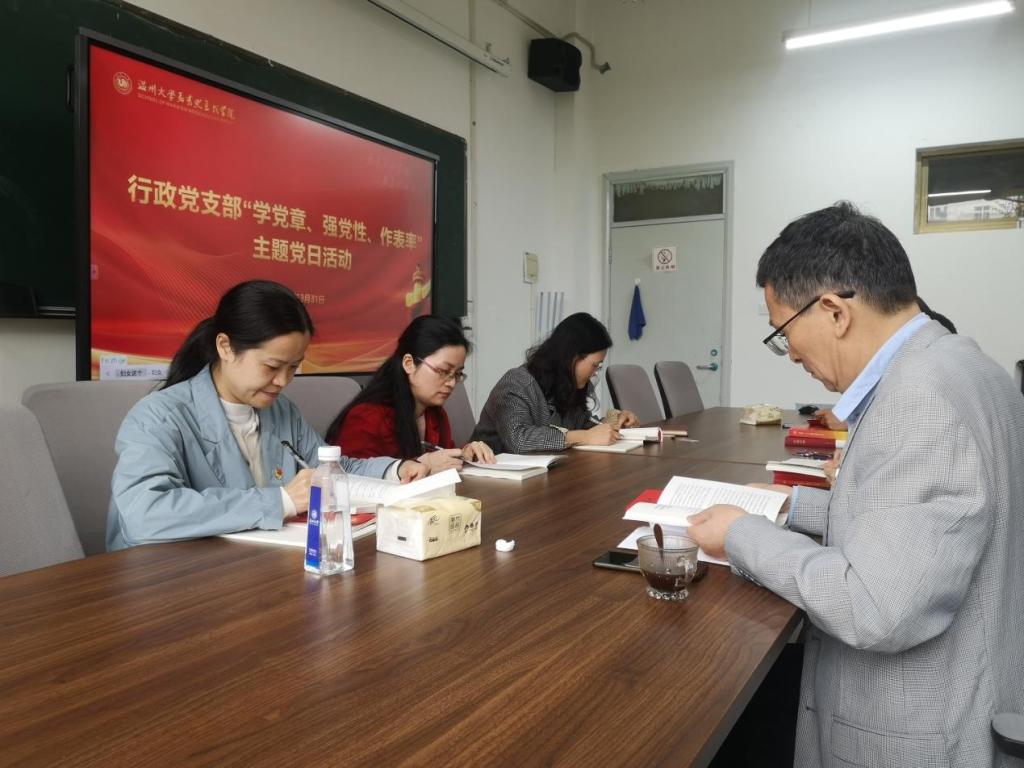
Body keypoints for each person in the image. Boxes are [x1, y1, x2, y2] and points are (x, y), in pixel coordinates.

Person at [688, 202, 1024, 767]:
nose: (791, 353)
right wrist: (795, 508)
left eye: (783, 332)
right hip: (977, 685)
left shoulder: (920, 398)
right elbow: (936, 524)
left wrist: (743, 534)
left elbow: (873, 606)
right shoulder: (965, 365)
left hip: (918, 732)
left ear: (834, 311)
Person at [107, 280, 426, 550]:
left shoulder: (281, 410)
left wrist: (395, 470)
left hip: (252, 567)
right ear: (225, 347)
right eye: (272, 367)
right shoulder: (158, 417)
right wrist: (282, 501)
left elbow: (329, 467)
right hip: (171, 578)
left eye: (293, 367)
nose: (283, 381)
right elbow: (145, 514)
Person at [325, 316, 495, 473]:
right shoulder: (367, 418)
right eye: (443, 371)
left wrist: (465, 455)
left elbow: (443, 461)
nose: (451, 383)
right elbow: (351, 477)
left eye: (457, 374)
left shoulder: (435, 414)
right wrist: (424, 465)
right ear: (409, 363)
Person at [471, 312, 639, 453]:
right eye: (595, 365)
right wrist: (585, 436)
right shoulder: (516, 384)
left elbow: (579, 425)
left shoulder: (567, 384)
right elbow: (520, 440)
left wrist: (614, 424)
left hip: (543, 472)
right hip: (492, 476)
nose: (595, 372)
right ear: (572, 357)